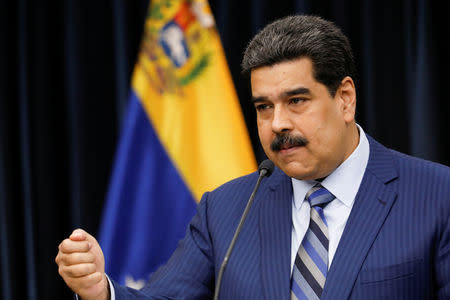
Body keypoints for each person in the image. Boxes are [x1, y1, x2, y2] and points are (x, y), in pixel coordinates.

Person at [55, 15, 450, 300]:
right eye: (263, 107)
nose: (277, 123)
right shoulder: (227, 208)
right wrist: (100, 291)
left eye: (296, 101)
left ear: (344, 98)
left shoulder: (436, 195)